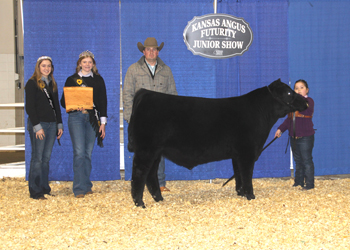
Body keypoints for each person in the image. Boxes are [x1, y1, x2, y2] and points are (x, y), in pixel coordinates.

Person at [123, 37, 177, 192]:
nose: (151, 52)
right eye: (148, 49)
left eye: (154, 49)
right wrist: (129, 116)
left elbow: (172, 94)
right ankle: (138, 183)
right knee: (141, 152)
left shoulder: (166, 70)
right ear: (143, 51)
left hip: (161, 119)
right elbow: (127, 94)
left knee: (159, 151)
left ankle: (159, 183)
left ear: (158, 52)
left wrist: (172, 117)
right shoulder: (133, 69)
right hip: (141, 119)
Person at [60, 50, 107, 198]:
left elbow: (102, 103)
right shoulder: (71, 80)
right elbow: (63, 102)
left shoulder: (98, 80)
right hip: (76, 117)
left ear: (93, 64)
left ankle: (86, 184)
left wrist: (103, 123)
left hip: (92, 118)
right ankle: (79, 188)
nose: (87, 64)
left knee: (87, 153)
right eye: (84, 62)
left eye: (90, 62)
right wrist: (74, 104)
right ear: (79, 63)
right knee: (79, 152)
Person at [25, 56, 63, 200]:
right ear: (38, 67)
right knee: (37, 158)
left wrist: (59, 123)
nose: (46, 68)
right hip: (39, 125)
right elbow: (30, 107)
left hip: (52, 124)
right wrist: (36, 126)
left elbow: (56, 106)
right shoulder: (32, 83)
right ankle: (35, 191)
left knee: (46, 158)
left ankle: (44, 187)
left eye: (48, 66)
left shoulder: (52, 83)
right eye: (43, 66)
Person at [275, 79, 315, 190]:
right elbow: (288, 120)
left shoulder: (309, 101)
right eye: (296, 88)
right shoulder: (292, 106)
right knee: (298, 161)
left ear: (307, 90)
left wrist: (293, 98)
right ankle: (299, 182)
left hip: (305, 137)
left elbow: (303, 106)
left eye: (301, 88)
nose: (299, 90)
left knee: (306, 161)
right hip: (293, 137)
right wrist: (280, 129)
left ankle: (310, 185)